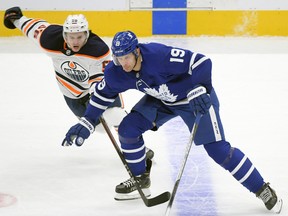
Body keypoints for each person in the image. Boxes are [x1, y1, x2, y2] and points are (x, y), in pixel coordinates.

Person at [61, 30, 282, 213]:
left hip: (195, 99)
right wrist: (87, 122)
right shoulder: (117, 71)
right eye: (119, 58)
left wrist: (200, 88)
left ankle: (261, 188)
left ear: (137, 51)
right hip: (163, 99)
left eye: (127, 57)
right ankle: (141, 179)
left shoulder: (159, 56)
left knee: (217, 150)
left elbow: (201, 62)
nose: (124, 63)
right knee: (128, 129)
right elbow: (101, 96)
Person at [3, 6, 123, 119]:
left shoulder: (98, 50)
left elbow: (103, 77)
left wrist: (96, 90)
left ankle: (127, 137)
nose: (75, 41)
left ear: (86, 34)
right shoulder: (49, 39)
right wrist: (16, 19)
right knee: (95, 126)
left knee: (116, 115)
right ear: (65, 36)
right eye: (71, 37)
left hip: (95, 87)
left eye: (79, 37)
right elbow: (32, 28)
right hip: (71, 92)